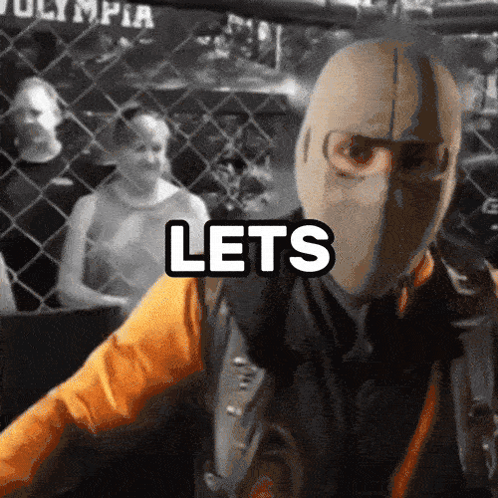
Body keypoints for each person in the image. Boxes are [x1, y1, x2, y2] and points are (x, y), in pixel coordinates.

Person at [0, 35, 495, 498]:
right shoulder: (216, 287)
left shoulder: (483, 304)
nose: (382, 193)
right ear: (306, 153)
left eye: (419, 160)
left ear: (452, 174)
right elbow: (73, 421)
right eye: (356, 151)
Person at [57, 106, 210, 316]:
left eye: (157, 148)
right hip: (112, 333)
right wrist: (125, 305)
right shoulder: (89, 207)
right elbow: (67, 290)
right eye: (139, 148)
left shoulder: (192, 207)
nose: (150, 158)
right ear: (118, 153)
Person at [0, 77, 90, 311]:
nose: (26, 120)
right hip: (14, 304)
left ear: (57, 115)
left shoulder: (83, 171)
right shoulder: (4, 171)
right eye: (19, 114)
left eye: (35, 112)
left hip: (75, 302)